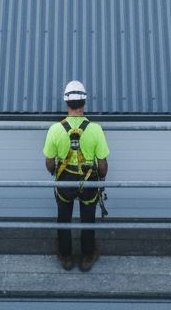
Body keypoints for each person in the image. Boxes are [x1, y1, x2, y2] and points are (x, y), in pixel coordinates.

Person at [44, 80, 109, 272]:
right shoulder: (95, 129)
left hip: (65, 182)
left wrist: (54, 172)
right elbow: (102, 164)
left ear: (66, 103)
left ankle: (65, 257)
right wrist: (101, 178)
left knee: (63, 219)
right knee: (88, 220)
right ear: (84, 102)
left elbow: (49, 163)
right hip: (89, 183)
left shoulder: (55, 129)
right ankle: (87, 257)